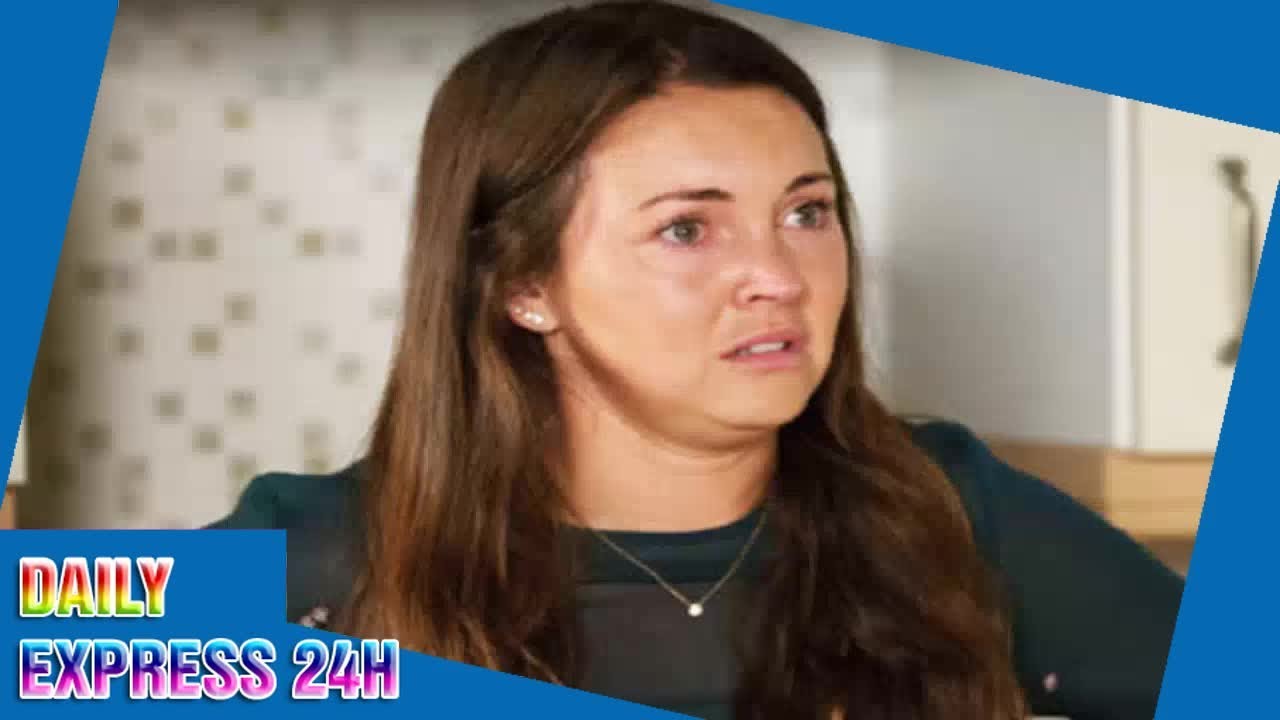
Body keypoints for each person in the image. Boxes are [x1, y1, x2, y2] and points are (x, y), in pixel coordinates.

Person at [209, 2, 1185, 718]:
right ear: (523, 285)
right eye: (686, 228)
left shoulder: (956, 517)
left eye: (806, 212)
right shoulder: (316, 558)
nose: (778, 277)